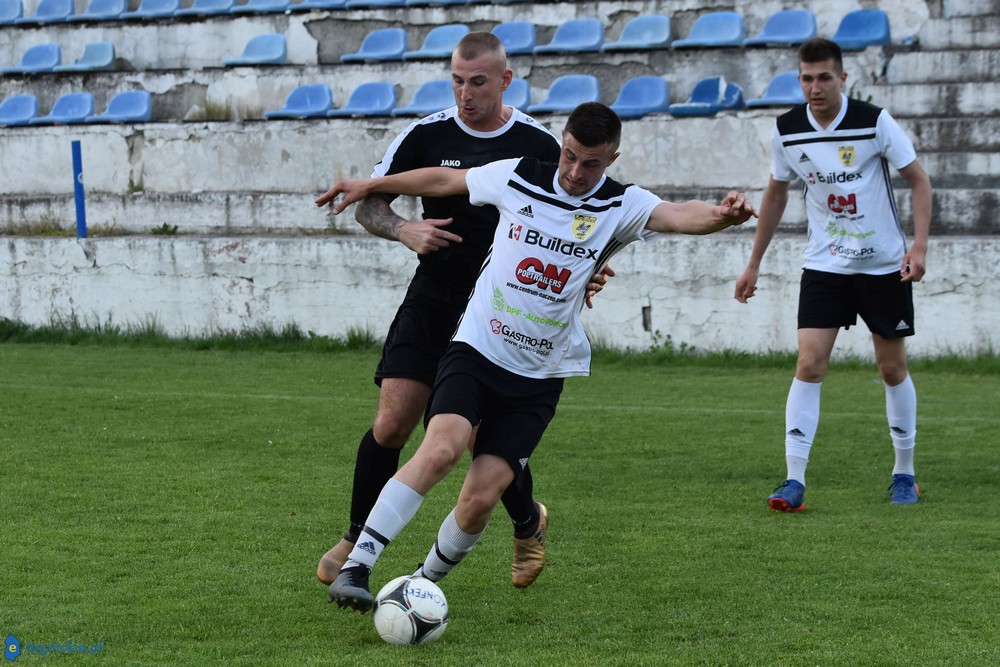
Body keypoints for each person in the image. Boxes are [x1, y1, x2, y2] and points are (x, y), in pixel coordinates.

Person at [315, 101, 757, 611]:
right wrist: (370, 186)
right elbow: (444, 181)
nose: (573, 171)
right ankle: (356, 569)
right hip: (478, 348)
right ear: (562, 141)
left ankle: (420, 585)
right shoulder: (520, 176)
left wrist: (725, 217)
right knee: (440, 449)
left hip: (539, 375)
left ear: (611, 158)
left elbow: (679, 215)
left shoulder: (620, 204)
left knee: (480, 498)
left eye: (589, 163)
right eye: (568, 155)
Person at [316, 32, 609, 591]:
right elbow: (371, 201)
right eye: (456, 80)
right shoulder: (425, 134)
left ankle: (526, 520)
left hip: (504, 308)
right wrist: (404, 228)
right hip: (437, 294)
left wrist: (588, 267)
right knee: (393, 419)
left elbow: (580, 220)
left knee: (476, 438)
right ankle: (358, 537)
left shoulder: (539, 144)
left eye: (477, 82)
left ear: (505, 80)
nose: (465, 93)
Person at [733, 37, 933, 511]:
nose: (815, 87)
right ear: (799, 79)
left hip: (884, 266)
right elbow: (777, 195)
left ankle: (904, 473)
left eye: (825, 77)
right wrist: (754, 262)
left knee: (891, 368)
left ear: (843, 78)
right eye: (807, 78)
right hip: (825, 265)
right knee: (809, 364)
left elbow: (919, 180)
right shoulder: (787, 129)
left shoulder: (873, 121)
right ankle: (793, 480)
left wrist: (919, 247)